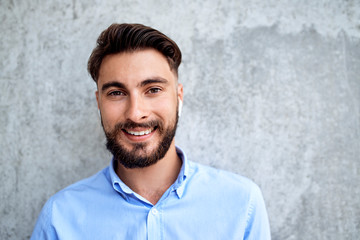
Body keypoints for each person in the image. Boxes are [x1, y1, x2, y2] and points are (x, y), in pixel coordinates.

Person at [31, 23, 271, 239]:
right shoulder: (60, 218)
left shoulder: (242, 203)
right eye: (116, 93)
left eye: (153, 89)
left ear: (179, 97)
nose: (136, 113)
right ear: (99, 103)